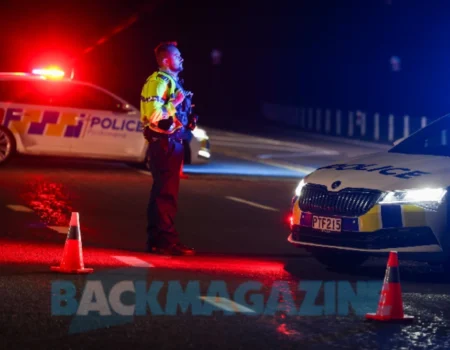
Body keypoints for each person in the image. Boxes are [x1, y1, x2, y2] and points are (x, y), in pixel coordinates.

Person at [140, 41, 197, 255]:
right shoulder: (157, 82)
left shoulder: (172, 82)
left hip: (172, 142)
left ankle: (159, 240)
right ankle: (164, 241)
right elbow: (154, 115)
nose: (182, 59)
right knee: (165, 195)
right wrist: (175, 103)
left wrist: (188, 117)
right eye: (178, 55)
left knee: (165, 194)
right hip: (164, 143)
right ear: (166, 60)